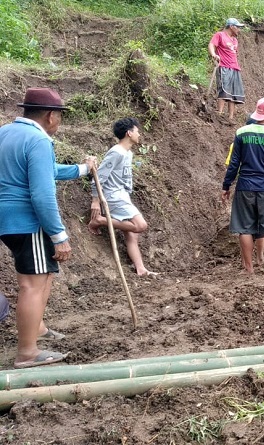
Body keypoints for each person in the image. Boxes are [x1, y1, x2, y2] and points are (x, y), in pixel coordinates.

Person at [0, 87, 96, 368]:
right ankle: (27, 352)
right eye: (60, 117)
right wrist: (59, 235)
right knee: (32, 283)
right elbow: (42, 193)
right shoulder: (39, 140)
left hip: (6, 220)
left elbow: (47, 170)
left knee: (44, 275)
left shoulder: (6, 133)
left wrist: (82, 169)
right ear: (51, 116)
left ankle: (37, 327)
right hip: (26, 221)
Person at [222, 97, 264, 275]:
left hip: (245, 185)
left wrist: (226, 185)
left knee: (244, 227)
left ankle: (248, 268)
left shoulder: (241, 132)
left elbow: (234, 163)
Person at [87, 117, 156, 276]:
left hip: (123, 195)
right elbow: (99, 176)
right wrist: (95, 201)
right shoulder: (116, 152)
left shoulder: (127, 153)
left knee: (132, 233)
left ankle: (140, 268)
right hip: (113, 196)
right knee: (140, 225)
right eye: (137, 131)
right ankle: (100, 221)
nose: (139, 134)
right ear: (129, 133)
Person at [208, 18, 246, 120]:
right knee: (223, 90)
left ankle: (230, 117)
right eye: (237, 27)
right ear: (231, 26)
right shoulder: (220, 35)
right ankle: (219, 114)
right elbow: (212, 44)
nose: (239, 30)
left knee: (233, 93)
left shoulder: (235, 40)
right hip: (224, 66)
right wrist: (214, 54)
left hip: (235, 68)